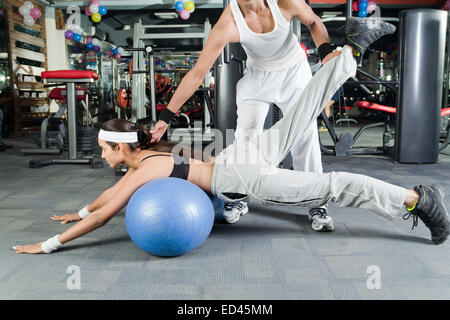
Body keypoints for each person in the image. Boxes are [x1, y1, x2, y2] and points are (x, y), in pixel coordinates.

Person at [13, 19, 449, 255]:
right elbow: (102, 205)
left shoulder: (140, 172)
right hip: (239, 153)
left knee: (333, 186)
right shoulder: (147, 160)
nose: (103, 157)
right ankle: (350, 50)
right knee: (301, 113)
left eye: (104, 150)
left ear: (123, 148)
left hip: (243, 174)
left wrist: (50, 244)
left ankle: (417, 199)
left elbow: (105, 214)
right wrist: (79, 209)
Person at [149, 0, 341, 230]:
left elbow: (313, 21)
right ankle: (239, 195)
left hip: (294, 72)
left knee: (305, 132)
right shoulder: (228, 24)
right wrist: (166, 117)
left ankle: (316, 201)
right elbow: (197, 74)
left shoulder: (284, 3)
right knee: (245, 137)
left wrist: (325, 51)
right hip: (258, 76)